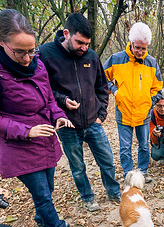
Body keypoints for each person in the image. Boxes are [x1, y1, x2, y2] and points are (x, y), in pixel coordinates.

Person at [0, 9, 78, 227]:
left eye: (31, 51)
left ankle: (41, 221)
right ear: (0, 41)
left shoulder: (35, 62)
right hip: (17, 145)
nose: (27, 58)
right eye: (19, 52)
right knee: (43, 195)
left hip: (45, 139)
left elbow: (47, 98)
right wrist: (26, 131)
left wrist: (58, 116)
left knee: (48, 187)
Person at [39, 13, 121, 212]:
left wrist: (101, 115)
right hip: (67, 124)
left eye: (87, 43)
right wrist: (62, 100)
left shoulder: (91, 57)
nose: (84, 48)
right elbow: (43, 88)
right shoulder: (46, 53)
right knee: (77, 167)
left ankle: (113, 191)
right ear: (66, 34)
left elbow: (102, 86)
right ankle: (88, 197)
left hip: (93, 121)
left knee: (107, 161)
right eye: (79, 42)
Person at [104, 22, 163, 183]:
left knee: (144, 145)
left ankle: (142, 172)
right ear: (131, 43)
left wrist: (150, 101)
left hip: (143, 113)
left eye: (144, 48)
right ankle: (128, 174)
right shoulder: (116, 59)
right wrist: (115, 91)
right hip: (123, 112)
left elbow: (157, 86)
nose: (140, 51)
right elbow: (101, 77)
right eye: (137, 47)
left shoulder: (151, 62)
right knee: (125, 148)